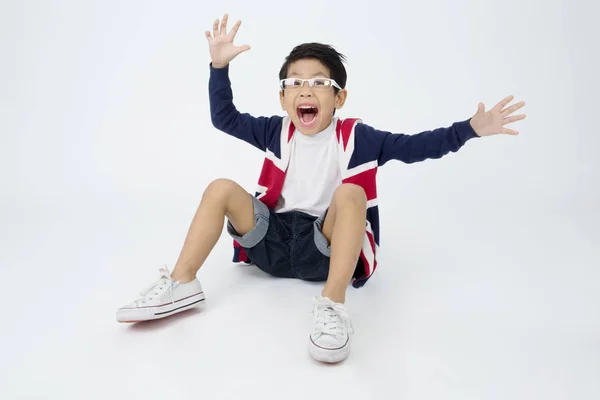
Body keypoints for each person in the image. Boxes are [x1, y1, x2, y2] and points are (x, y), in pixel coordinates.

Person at [116, 14, 526, 363]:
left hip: (323, 249)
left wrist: (470, 129)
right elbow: (225, 118)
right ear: (282, 98)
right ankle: (183, 283)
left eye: (317, 82)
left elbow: (418, 146)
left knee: (351, 193)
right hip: (272, 243)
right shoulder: (274, 131)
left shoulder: (359, 138)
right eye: (294, 83)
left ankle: (332, 306)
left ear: (339, 97)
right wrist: (219, 68)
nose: (305, 90)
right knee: (221, 186)